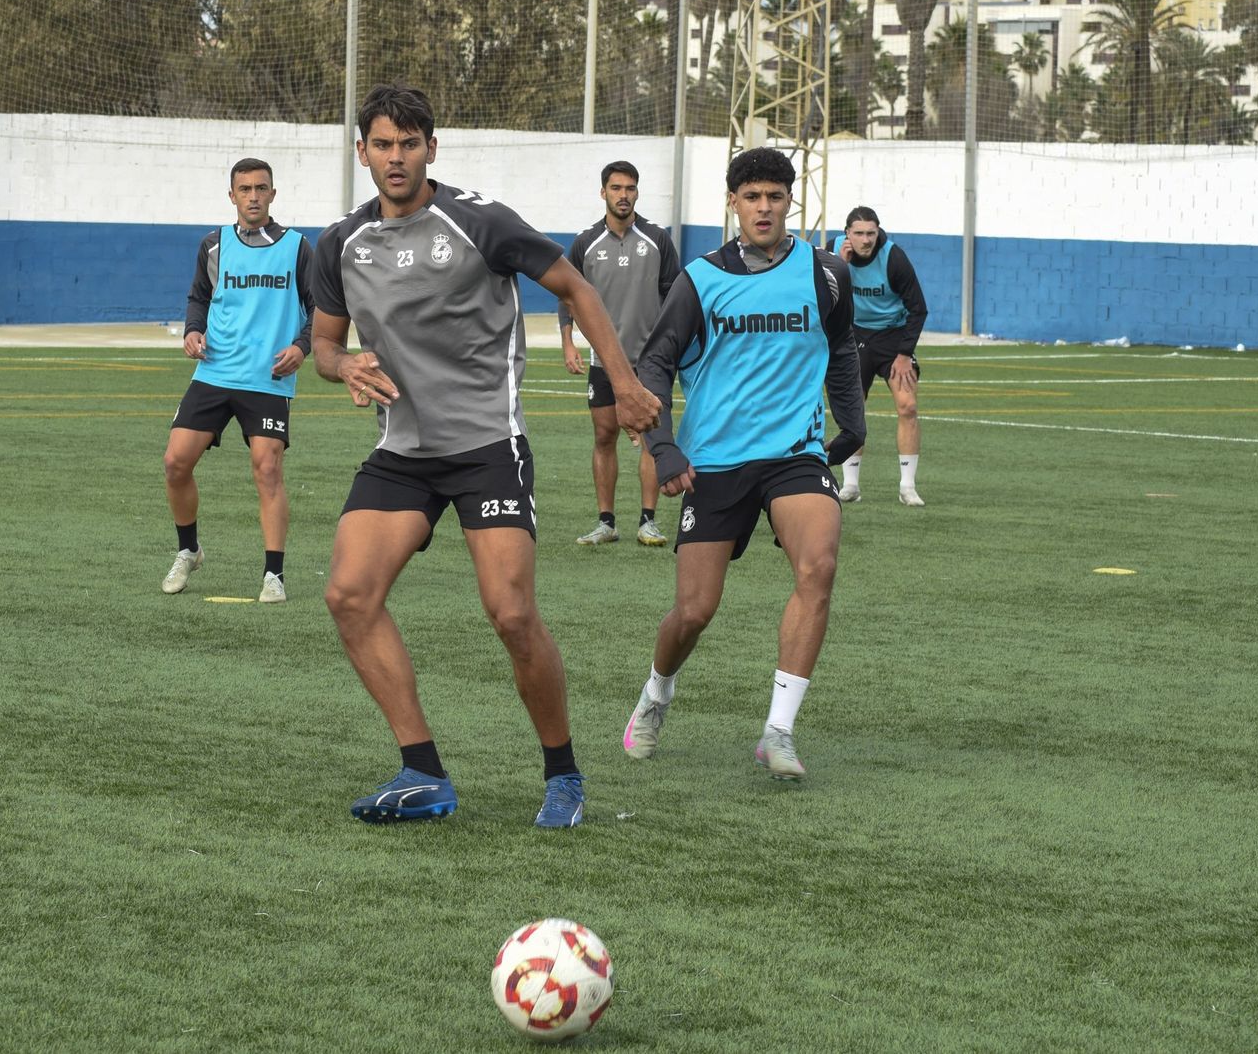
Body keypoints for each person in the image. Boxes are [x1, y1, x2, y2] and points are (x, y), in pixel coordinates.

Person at [309, 85, 660, 827]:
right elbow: (324, 344)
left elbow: (574, 287)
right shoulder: (340, 242)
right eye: (381, 144)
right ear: (362, 151)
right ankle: (423, 771)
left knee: (509, 613)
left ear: (431, 148)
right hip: (402, 451)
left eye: (409, 143)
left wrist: (624, 382)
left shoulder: (479, 221)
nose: (395, 157)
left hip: (486, 447)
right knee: (348, 595)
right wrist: (342, 367)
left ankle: (563, 774)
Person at [622, 147, 866, 781]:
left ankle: (778, 731)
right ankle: (656, 694)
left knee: (820, 565)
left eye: (775, 197)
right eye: (752, 196)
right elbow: (655, 365)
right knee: (694, 612)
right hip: (715, 464)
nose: (764, 207)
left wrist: (853, 422)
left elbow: (841, 348)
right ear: (733, 203)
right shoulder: (701, 279)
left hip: (794, 456)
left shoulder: (826, 273)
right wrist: (663, 445)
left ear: (791, 202)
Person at [161, 158, 313, 604]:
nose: (253, 196)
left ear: (273, 194)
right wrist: (192, 330)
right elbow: (199, 297)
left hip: (267, 377)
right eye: (244, 189)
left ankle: (274, 575)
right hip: (215, 370)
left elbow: (322, 307)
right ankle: (189, 548)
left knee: (267, 469)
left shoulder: (299, 248)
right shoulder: (213, 245)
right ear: (232, 196)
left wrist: (302, 347)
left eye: (261, 188)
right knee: (175, 463)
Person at [559, 161, 681, 548]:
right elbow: (568, 295)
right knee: (604, 435)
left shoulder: (658, 239)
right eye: (616, 188)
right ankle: (606, 522)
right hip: (602, 363)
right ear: (603, 193)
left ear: (637, 193)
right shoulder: (584, 243)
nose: (623, 195)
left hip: (651, 362)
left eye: (630, 188)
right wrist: (568, 341)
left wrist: (673, 348)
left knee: (650, 436)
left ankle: (648, 521)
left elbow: (676, 297)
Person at [828, 207, 929, 506]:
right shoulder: (831, 252)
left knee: (907, 406)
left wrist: (904, 354)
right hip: (853, 335)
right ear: (847, 233)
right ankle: (851, 486)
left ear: (878, 232)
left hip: (893, 336)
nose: (866, 240)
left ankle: (907, 486)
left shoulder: (893, 258)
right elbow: (818, 292)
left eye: (871, 233)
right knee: (852, 410)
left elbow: (918, 309)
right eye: (859, 233)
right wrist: (839, 265)